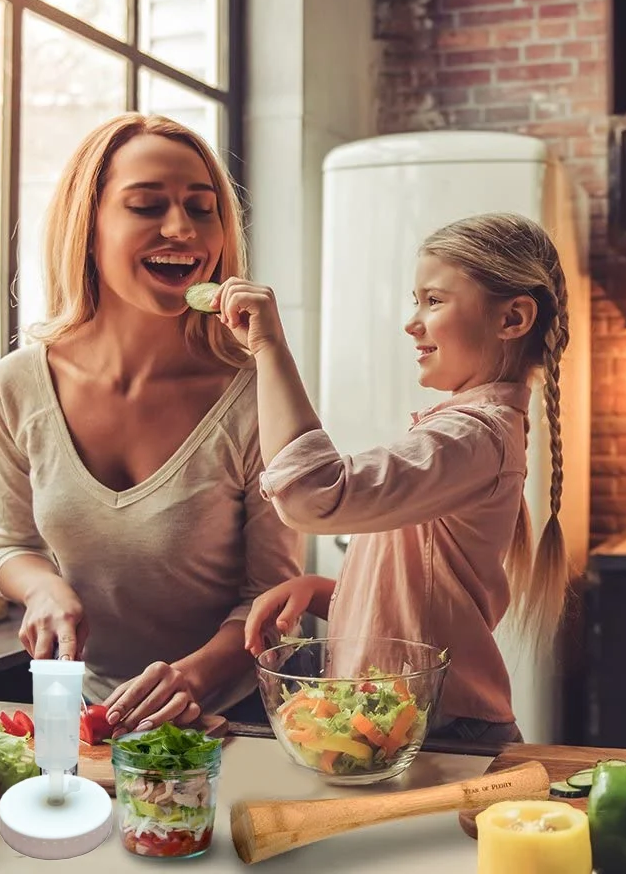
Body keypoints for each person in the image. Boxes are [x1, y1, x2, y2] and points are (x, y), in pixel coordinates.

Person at [0, 113, 303, 733]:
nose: (181, 230)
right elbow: (11, 544)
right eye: (145, 206)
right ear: (89, 228)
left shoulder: (252, 393)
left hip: (235, 720)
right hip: (84, 718)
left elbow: (271, 599)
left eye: (203, 207)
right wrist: (42, 589)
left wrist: (191, 679)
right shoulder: (17, 383)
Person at [224, 212, 570, 744]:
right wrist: (324, 593)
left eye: (434, 301)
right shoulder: (470, 433)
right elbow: (422, 595)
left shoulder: (473, 435)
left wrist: (269, 347)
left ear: (513, 319)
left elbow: (313, 496)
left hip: (446, 734)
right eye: (417, 300)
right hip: (412, 728)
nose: (413, 322)